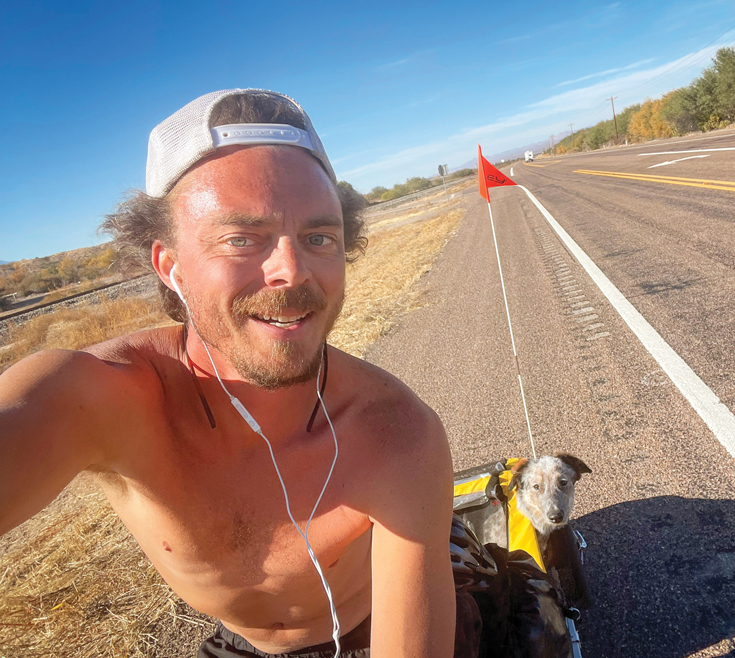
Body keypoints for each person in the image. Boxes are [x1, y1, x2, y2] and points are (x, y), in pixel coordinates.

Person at [0, 89, 458, 657]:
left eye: (319, 238)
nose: (291, 272)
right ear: (170, 266)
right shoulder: (104, 397)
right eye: (241, 238)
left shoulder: (398, 435)